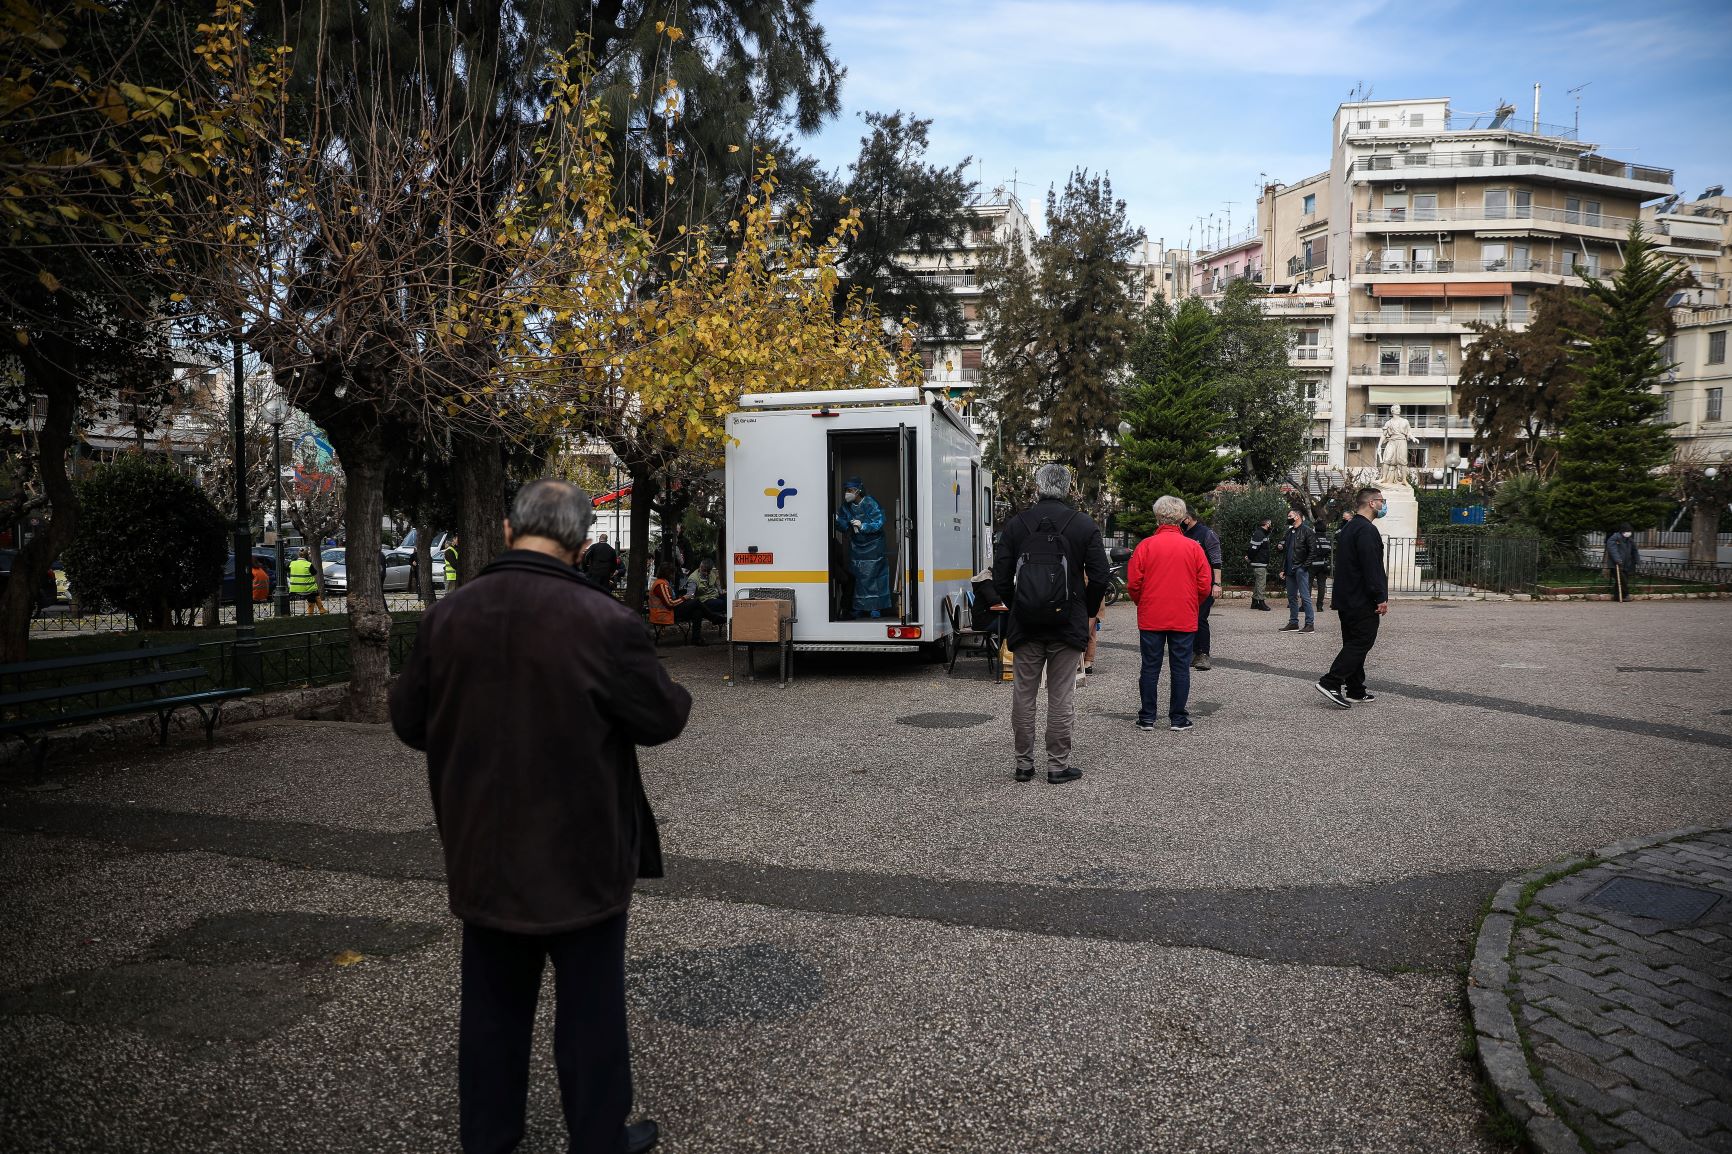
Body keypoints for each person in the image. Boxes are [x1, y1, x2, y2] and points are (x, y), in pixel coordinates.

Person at [388, 479, 687, 1154]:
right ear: (583, 544)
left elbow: (410, 722)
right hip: (582, 853)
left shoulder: (448, 617)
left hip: (482, 850)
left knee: (491, 1009)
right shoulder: (604, 623)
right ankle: (597, 1139)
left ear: (504, 528)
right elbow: (660, 718)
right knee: (591, 1010)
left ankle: (489, 1139)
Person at [991, 463, 1110, 784]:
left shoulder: (1017, 525)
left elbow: (1000, 576)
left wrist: (1019, 606)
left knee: (1023, 694)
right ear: (1069, 489)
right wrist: (1086, 612)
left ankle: (1023, 764)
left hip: (1026, 624)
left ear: (1037, 486)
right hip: (1067, 623)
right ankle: (1057, 765)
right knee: (1061, 696)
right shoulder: (1084, 525)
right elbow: (1100, 576)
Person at [1126, 495, 1213, 732]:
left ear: (1157, 516)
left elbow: (1134, 583)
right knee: (1180, 668)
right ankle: (1177, 717)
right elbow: (1204, 584)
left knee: (1150, 667)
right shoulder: (1193, 547)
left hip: (1152, 614)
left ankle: (1147, 717)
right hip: (1183, 614)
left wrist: (1141, 602)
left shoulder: (1145, 546)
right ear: (1181, 518)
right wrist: (1192, 603)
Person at [1317, 486, 1389, 708]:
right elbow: (1371, 566)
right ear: (1371, 503)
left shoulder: (1349, 527)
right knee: (1362, 641)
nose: (1384, 505)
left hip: (1347, 597)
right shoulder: (1367, 530)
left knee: (1352, 641)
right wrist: (1380, 596)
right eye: (1382, 501)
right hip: (1361, 598)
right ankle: (1331, 682)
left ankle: (1356, 689)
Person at [834, 477, 891, 618]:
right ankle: (859, 607)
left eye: (850, 490)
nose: (847, 493)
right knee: (858, 576)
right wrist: (837, 520)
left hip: (874, 547)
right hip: (856, 547)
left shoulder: (870, 503)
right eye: (846, 490)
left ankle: (875, 607)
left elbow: (879, 522)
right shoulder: (846, 507)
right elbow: (843, 525)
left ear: (858, 491)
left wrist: (863, 525)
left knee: (873, 576)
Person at [1180, 511, 1222, 669]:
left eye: (1181, 518)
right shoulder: (1182, 534)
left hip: (1205, 585)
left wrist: (1216, 584)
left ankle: (1203, 654)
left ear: (1188, 518)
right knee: (1188, 619)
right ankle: (1191, 652)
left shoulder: (1207, 534)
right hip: (1186, 585)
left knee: (1200, 618)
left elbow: (1216, 560)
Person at [649, 560, 723, 645]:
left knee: (697, 611)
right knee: (696, 602)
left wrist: (683, 599)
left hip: (670, 612)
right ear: (668, 574)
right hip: (665, 614)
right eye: (672, 573)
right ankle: (714, 618)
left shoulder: (664, 583)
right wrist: (684, 598)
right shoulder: (660, 585)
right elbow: (670, 603)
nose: (674, 575)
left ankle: (696, 639)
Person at [1279, 507, 1317, 634]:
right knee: (1291, 597)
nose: (1288, 518)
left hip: (1301, 568)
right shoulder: (1289, 533)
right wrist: (1283, 568)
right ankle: (1293, 622)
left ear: (1297, 516)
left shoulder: (1307, 531)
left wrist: (1304, 566)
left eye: (1290, 516)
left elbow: (1313, 551)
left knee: (1305, 596)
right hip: (1290, 569)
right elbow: (1285, 552)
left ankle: (1309, 624)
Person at [1245, 517, 1274, 611]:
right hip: (1259, 563)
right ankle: (1261, 603)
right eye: (1270, 524)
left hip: (1260, 562)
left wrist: (1249, 558)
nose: (1271, 526)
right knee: (1261, 583)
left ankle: (1254, 602)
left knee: (1258, 583)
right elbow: (1253, 548)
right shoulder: (1259, 533)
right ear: (1267, 524)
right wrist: (1249, 558)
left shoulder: (1261, 533)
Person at [1605, 523, 1639, 602]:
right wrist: (1617, 559)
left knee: (1620, 581)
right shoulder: (1614, 538)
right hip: (1615, 564)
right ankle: (1626, 594)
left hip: (1626, 564)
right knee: (1622, 580)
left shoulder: (1629, 540)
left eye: (1630, 531)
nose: (1629, 533)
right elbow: (1613, 550)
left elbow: (1634, 550)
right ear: (1622, 531)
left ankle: (1617, 596)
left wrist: (1637, 560)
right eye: (1627, 531)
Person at [287, 548, 324, 615]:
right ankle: (311, 613)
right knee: (314, 592)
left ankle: (322, 609)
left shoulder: (292, 563)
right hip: (306, 589)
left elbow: (287, 570)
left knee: (314, 592)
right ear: (307, 556)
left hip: (294, 589)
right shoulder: (308, 564)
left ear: (298, 555)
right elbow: (314, 573)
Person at [1310, 519, 1335, 610]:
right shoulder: (1327, 540)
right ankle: (1319, 606)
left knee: (1308, 584)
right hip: (1323, 564)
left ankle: (1306, 605)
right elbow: (1329, 550)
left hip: (1312, 564)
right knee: (1321, 585)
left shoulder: (1312, 538)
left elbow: (1309, 550)